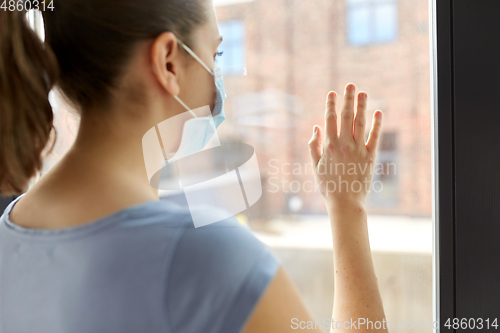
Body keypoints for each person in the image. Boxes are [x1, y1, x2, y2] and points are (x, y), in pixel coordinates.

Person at [0, 0, 387, 332]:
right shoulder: (204, 257)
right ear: (168, 61)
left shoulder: (10, 231)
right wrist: (346, 205)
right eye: (216, 55)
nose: (219, 77)